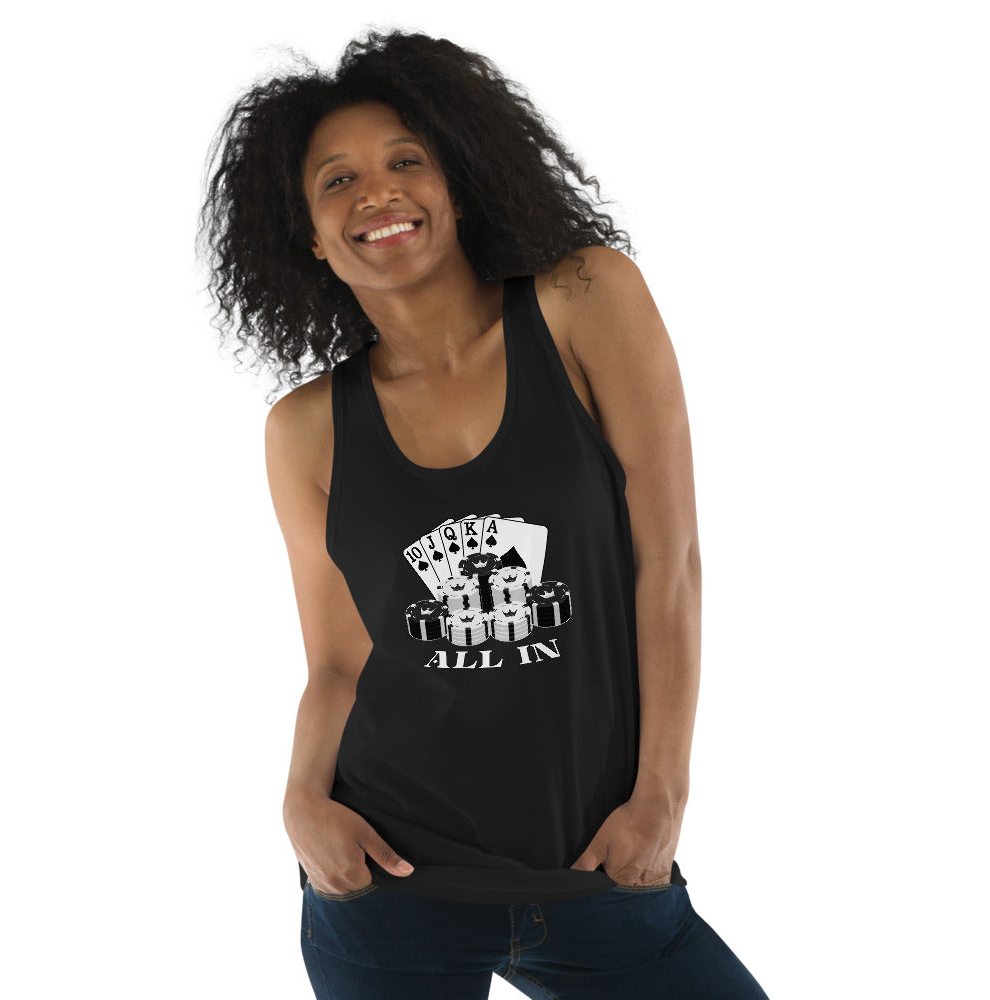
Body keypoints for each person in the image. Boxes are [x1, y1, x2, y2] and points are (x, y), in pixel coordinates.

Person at [198, 27, 770, 1000]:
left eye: (405, 161)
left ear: (457, 184)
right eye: (337, 180)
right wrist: (300, 802)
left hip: (598, 867)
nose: (375, 192)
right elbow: (337, 662)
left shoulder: (586, 302)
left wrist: (661, 795)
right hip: (387, 882)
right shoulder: (304, 429)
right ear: (307, 235)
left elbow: (667, 562)